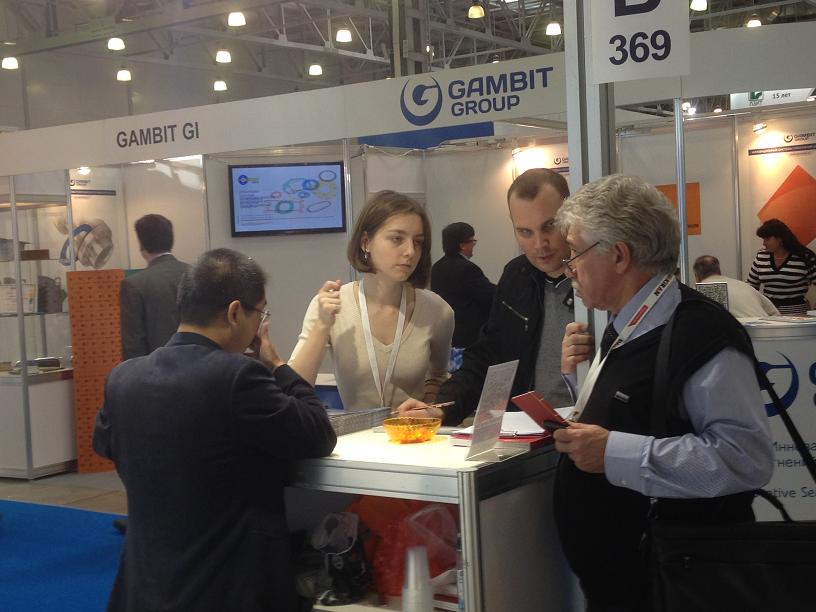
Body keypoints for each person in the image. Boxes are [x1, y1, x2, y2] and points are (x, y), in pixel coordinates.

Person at [556, 175, 774, 612]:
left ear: (619, 255)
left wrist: (613, 453)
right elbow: (640, 412)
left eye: (574, 253)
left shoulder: (701, 332)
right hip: (627, 583)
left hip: (679, 584)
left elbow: (745, 458)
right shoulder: (625, 325)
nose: (569, 269)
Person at [93, 248, 337, 612]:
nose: (259, 326)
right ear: (235, 312)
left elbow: (105, 444)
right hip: (227, 587)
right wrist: (276, 363)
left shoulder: (123, 377)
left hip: (145, 586)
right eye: (260, 314)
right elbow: (318, 434)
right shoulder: (238, 377)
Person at [398, 167, 575, 423]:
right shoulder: (517, 276)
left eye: (549, 226)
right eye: (525, 232)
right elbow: (487, 355)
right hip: (524, 432)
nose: (540, 244)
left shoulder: (598, 278)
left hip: (586, 433)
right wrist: (441, 408)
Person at [289, 190, 454, 410]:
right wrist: (321, 326)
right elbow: (294, 388)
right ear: (366, 242)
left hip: (412, 429)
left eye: (418, 242)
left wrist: (429, 404)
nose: (410, 251)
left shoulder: (437, 310)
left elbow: (438, 375)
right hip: (357, 431)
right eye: (397, 239)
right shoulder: (333, 305)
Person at [120, 214, 190, 360]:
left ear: (141, 244)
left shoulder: (134, 285)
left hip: (158, 369)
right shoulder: (196, 274)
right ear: (171, 240)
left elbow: (133, 347)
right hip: (200, 366)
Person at [430, 222, 496, 369]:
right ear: (462, 245)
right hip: (468, 340)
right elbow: (490, 295)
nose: (473, 246)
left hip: (446, 337)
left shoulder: (437, 267)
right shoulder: (467, 269)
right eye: (473, 241)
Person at [747, 218, 816, 315]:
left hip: (798, 316)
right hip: (768, 314)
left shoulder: (804, 257)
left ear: (780, 238)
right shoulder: (762, 256)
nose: (764, 243)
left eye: (767, 239)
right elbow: (751, 286)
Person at [693, 254, 779, 317]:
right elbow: (774, 313)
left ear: (697, 276)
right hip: (767, 331)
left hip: (738, 333)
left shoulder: (699, 291)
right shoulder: (745, 286)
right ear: (719, 271)